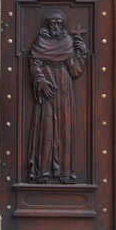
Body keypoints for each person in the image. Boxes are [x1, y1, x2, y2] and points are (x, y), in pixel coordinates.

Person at [28, 9, 87, 184]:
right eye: (51, 23)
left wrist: (82, 53)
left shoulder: (67, 42)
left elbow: (74, 70)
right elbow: (34, 62)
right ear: (47, 25)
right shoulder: (41, 42)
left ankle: (63, 169)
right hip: (49, 86)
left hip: (63, 87)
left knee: (64, 127)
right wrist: (40, 81)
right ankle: (43, 170)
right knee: (46, 128)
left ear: (62, 25)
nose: (54, 26)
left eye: (57, 23)